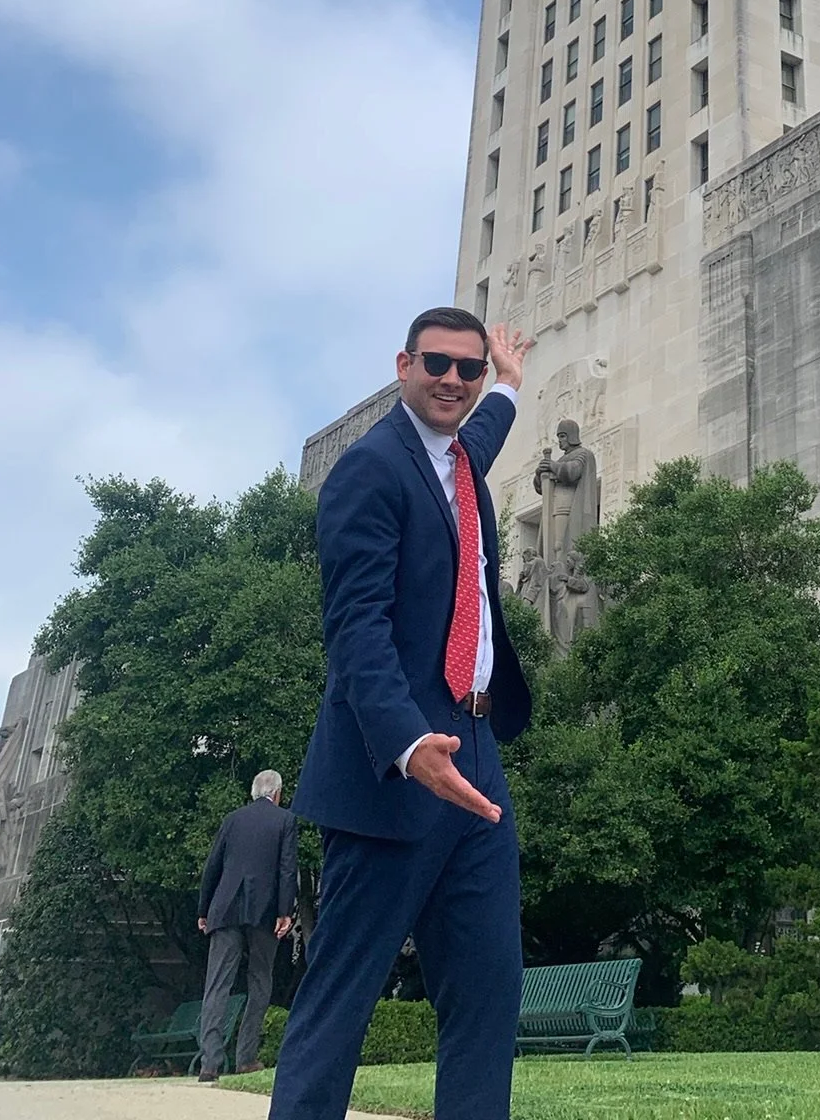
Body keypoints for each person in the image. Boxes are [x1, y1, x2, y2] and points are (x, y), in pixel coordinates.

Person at [269, 308, 533, 1120]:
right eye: (436, 364)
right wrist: (409, 742)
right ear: (403, 364)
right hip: (395, 771)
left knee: (489, 995)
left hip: (478, 755)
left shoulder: (460, 463)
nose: (453, 380)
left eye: (469, 368)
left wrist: (513, 389)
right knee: (341, 1001)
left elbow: (478, 434)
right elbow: (356, 630)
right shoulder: (369, 471)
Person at [196, 769, 298, 1083]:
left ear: (254, 792)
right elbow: (286, 869)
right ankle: (246, 1057)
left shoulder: (232, 820)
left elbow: (212, 865)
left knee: (217, 984)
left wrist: (204, 910)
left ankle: (209, 1063)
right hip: (264, 911)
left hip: (224, 908)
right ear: (278, 793)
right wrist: (285, 911)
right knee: (259, 982)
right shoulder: (285, 820)